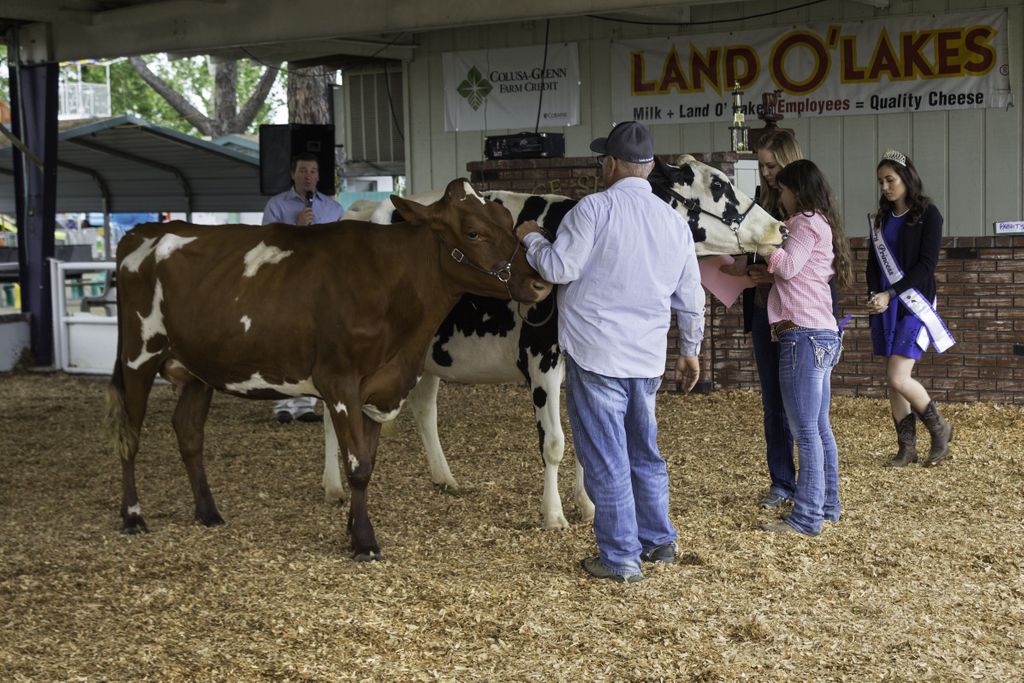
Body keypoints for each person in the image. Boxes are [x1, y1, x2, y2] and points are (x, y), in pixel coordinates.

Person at [515, 121, 705, 582]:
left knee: (605, 457)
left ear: (613, 164)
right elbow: (691, 295)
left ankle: (620, 558)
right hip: (646, 357)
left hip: (597, 353)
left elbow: (561, 267)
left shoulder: (592, 210)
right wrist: (691, 350)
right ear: (650, 167)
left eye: (604, 159)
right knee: (644, 451)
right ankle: (658, 541)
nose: (603, 165)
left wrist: (530, 236)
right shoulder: (673, 222)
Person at [757, 159, 852, 536]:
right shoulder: (823, 222)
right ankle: (828, 505)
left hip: (802, 334)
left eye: (781, 190)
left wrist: (763, 242)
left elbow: (787, 265)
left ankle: (807, 517)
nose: (778, 196)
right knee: (819, 427)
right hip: (822, 334)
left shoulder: (802, 221)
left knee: (805, 430)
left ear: (796, 189)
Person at [720, 129, 803, 510]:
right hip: (761, 308)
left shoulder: (807, 207)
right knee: (773, 401)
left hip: (798, 312)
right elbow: (747, 247)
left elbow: (820, 268)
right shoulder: (757, 202)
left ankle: (815, 486)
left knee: (802, 404)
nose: (767, 173)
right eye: (763, 166)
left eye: (772, 166)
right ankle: (782, 481)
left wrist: (771, 274)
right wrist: (745, 267)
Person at [867, 150, 954, 467]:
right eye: (882, 182)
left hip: (914, 303)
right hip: (887, 305)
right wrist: (874, 294)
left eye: (891, 179)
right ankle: (907, 448)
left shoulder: (929, 214)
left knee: (898, 376)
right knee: (892, 379)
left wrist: (890, 293)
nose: (886, 187)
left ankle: (940, 428)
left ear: (907, 178)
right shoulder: (882, 219)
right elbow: (873, 264)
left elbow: (925, 266)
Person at [262, 152, 345, 424]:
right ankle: (282, 405)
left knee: (313, 342)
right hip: (285, 281)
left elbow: (343, 246)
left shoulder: (333, 210)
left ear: (319, 176)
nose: (307, 175)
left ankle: (307, 405)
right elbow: (267, 242)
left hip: (321, 284)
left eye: (312, 171)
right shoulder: (276, 205)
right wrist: (295, 227)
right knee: (283, 341)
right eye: (302, 170)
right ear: (292, 174)